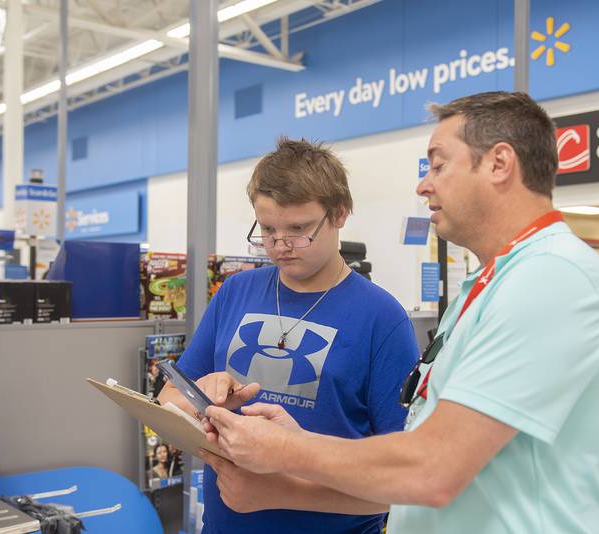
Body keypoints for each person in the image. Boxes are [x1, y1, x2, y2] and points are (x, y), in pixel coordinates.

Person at [201, 92, 599, 533]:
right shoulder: (491, 286)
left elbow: (434, 467)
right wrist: (297, 442)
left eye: (439, 164)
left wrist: (286, 452)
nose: (424, 185)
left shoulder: (551, 279)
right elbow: (423, 448)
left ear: (499, 164)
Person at [158, 138, 419, 534]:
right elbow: (168, 400)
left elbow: (403, 483)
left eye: (298, 229)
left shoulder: (382, 319)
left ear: (341, 213)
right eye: (267, 229)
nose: (280, 246)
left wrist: (278, 491)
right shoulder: (235, 292)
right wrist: (202, 401)